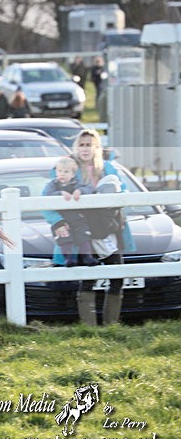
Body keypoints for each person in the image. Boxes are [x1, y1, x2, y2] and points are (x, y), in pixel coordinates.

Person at [42, 129, 133, 326]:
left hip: (107, 228)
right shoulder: (64, 167)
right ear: (76, 147)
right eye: (82, 144)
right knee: (88, 276)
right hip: (80, 230)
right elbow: (46, 200)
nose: (85, 148)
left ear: (97, 147)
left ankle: (111, 325)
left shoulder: (108, 168)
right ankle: (89, 327)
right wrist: (57, 222)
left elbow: (122, 191)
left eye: (89, 144)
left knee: (117, 273)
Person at [43, 157, 98, 267]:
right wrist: (60, 194)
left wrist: (80, 191)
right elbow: (45, 198)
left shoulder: (77, 184)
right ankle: (69, 259)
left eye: (66, 172)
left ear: (73, 174)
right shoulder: (52, 185)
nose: (62, 174)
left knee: (84, 237)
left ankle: (87, 257)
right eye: (59, 171)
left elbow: (89, 189)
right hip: (62, 219)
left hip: (78, 218)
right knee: (65, 239)